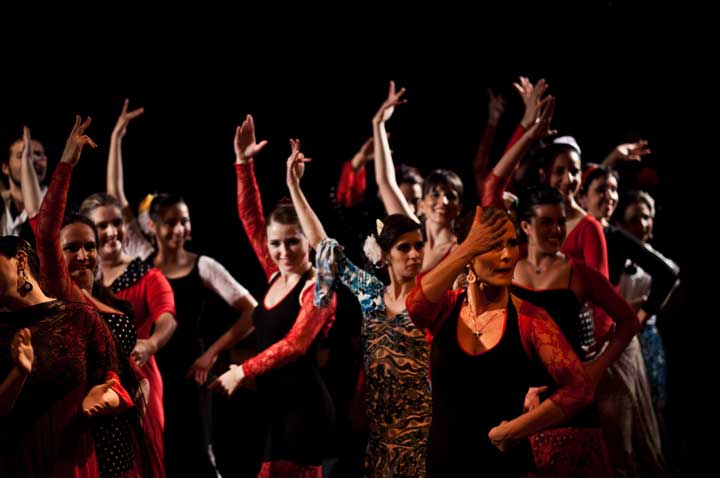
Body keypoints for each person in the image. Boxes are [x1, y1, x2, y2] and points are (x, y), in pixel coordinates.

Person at [405, 207, 593, 477]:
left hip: (504, 467)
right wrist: (467, 249)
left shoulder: (532, 319)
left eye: (512, 243)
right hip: (444, 464)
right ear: (468, 253)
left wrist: (515, 429)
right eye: (493, 245)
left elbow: (579, 390)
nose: (506, 255)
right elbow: (415, 307)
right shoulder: (445, 309)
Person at [286, 143, 432, 477]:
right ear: (385, 254)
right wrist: (294, 186)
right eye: (404, 248)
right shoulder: (371, 293)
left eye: (419, 247)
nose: (414, 255)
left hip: (424, 427)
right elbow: (322, 243)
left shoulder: (433, 295)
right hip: (376, 427)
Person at [210, 119, 336, 477]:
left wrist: (242, 371)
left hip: (304, 410)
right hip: (273, 407)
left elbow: (295, 345)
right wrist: (242, 163)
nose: (283, 251)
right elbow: (251, 217)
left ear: (307, 241)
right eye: (276, 243)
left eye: (293, 241)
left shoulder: (318, 289)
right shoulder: (275, 275)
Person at [80, 101, 177, 476]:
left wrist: (151, 343)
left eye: (115, 224)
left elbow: (168, 319)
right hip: (99, 383)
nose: (109, 232)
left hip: (140, 376)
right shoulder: (85, 277)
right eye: (99, 228)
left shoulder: (147, 274)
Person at [0, 235, 133, 477]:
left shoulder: (80, 318)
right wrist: (20, 372)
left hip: (73, 463)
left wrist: (105, 399)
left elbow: (117, 386)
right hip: (15, 463)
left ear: (20, 259)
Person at [147, 192, 257, 477]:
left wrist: (212, 353)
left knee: (198, 457)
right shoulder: (142, 268)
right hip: (152, 376)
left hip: (191, 375)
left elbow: (253, 313)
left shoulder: (204, 266)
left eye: (184, 221)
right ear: (152, 226)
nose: (179, 229)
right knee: (160, 457)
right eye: (170, 222)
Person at [1, 126, 48, 239]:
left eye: (38, 154)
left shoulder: (63, 206)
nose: (32, 160)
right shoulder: (3, 205)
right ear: (5, 167)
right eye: (22, 155)